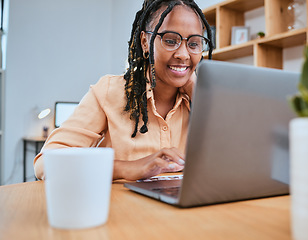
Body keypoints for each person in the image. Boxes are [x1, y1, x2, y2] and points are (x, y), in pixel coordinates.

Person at [33, 0, 214, 181]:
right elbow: (46, 162)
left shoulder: (201, 98)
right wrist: (130, 168)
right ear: (145, 42)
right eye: (170, 40)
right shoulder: (109, 91)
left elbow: (235, 156)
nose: (183, 54)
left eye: (193, 44)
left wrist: (197, 91)